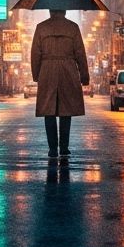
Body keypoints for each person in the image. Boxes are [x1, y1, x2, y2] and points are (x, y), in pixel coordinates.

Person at [31, 8, 90, 159]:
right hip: (68, 69)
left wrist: (36, 74)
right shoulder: (73, 27)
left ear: (50, 11)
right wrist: (84, 75)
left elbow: (35, 54)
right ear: (65, 11)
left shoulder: (41, 27)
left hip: (47, 69)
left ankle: (52, 149)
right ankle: (64, 147)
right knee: (66, 110)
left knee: (48, 110)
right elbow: (80, 53)